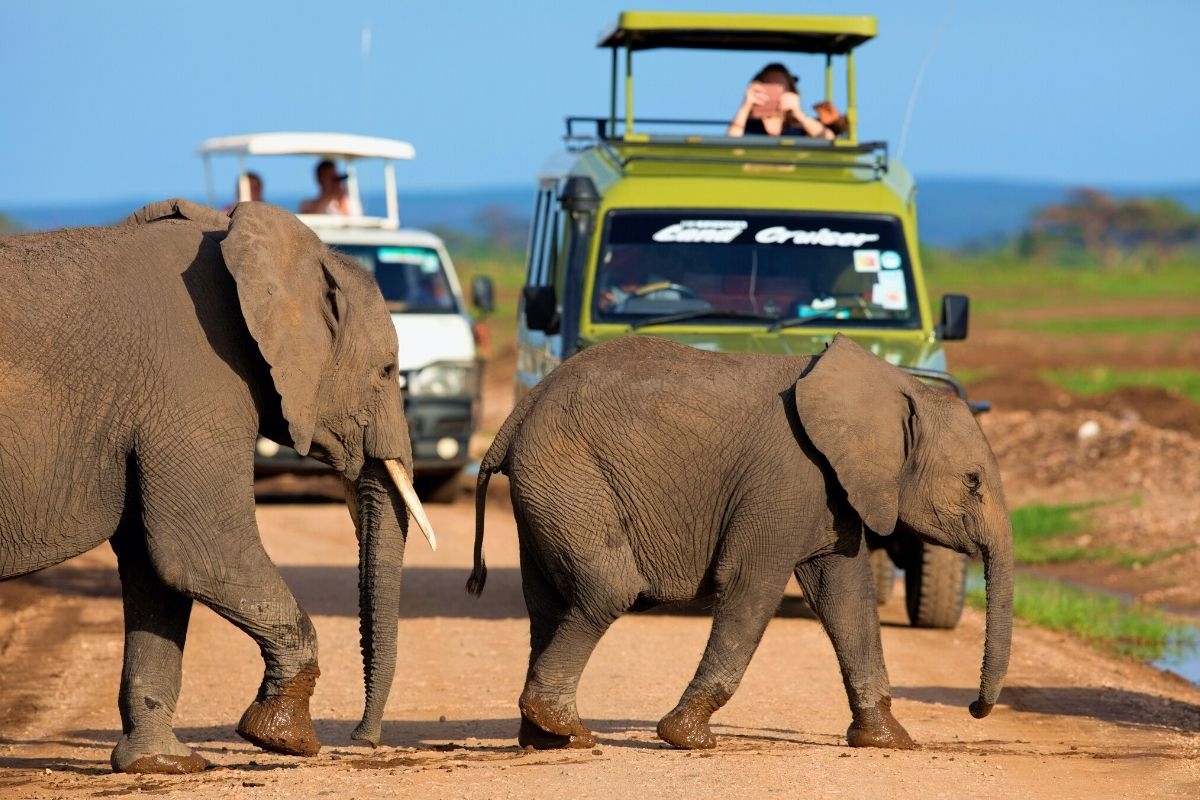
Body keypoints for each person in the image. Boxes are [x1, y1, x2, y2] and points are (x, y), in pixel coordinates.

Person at [727, 63, 834, 140]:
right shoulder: (748, 126)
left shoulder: (801, 128)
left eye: (781, 89)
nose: (776, 94)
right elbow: (729, 146)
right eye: (770, 87)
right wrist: (745, 106)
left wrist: (799, 114)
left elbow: (829, 140)